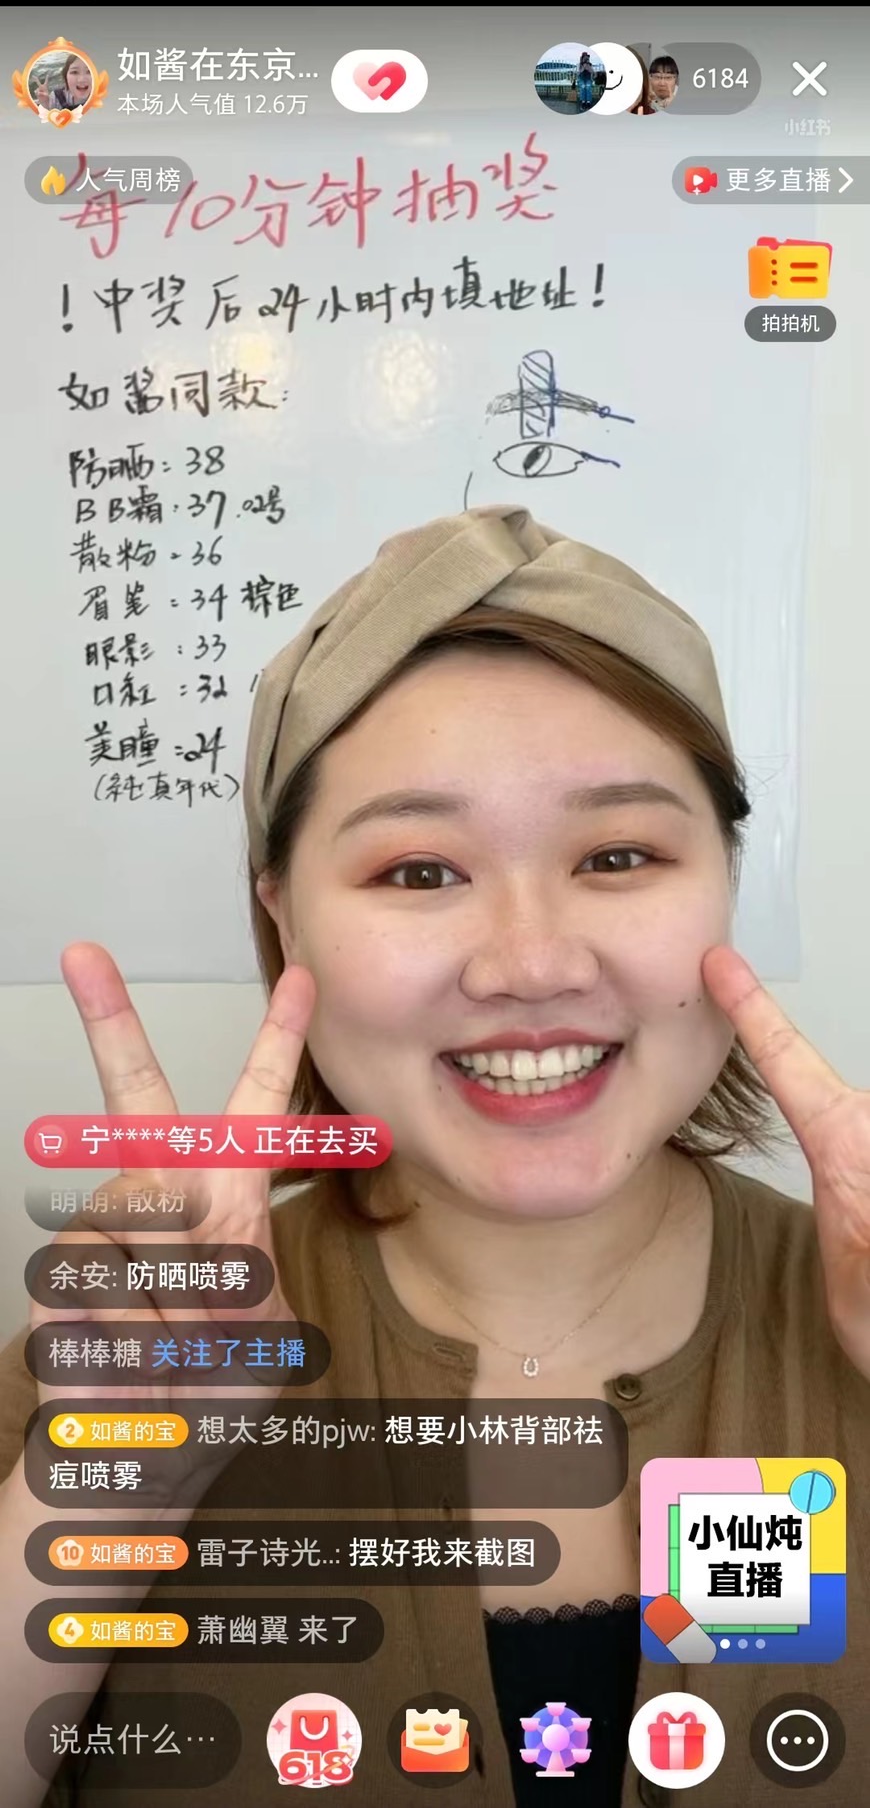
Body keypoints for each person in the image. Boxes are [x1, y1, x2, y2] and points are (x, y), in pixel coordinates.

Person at [1, 503, 870, 1806]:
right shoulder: (114, 1367)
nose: (531, 964)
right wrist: (108, 1500)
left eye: (618, 854)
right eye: (418, 872)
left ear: (726, 883)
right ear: (283, 915)